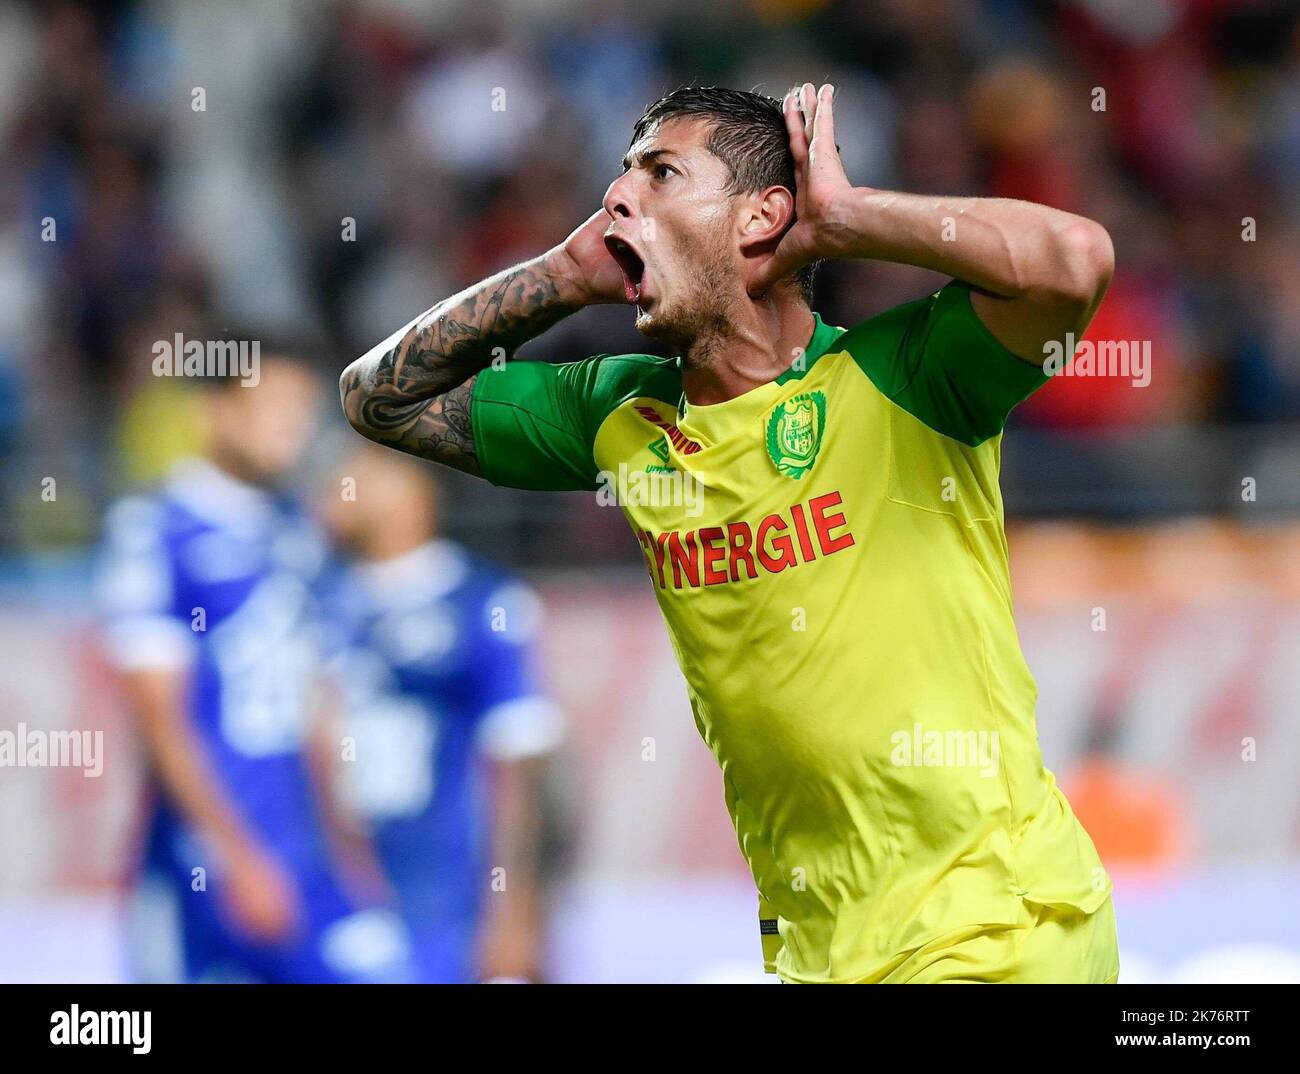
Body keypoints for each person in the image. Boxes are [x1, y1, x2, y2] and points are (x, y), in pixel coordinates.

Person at [339, 83, 1119, 984]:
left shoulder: (906, 375)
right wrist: (559, 274)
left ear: (763, 216)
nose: (618, 197)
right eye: (620, 178)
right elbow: (379, 398)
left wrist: (853, 217)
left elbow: (1073, 257)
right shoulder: (617, 412)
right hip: (822, 950)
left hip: (995, 927)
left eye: (660, 173)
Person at [100, 354, 408, 983]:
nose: (291, 430)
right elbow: (160, 719)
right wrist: (235, 856)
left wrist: (352, 851)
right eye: (274, 409)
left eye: (302, 413)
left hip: (310, 856)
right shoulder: (156, 531)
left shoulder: (299, 533)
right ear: (213, 410)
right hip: (211, 861)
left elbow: (320, 708)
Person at [315, 441, 563, 983]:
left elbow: (519, 768)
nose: (341, 478)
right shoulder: (313, 599)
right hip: (340, 889)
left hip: (450, 895)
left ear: (416, 485)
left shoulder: (483, 602)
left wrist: (514, 912)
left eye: (366, 464)